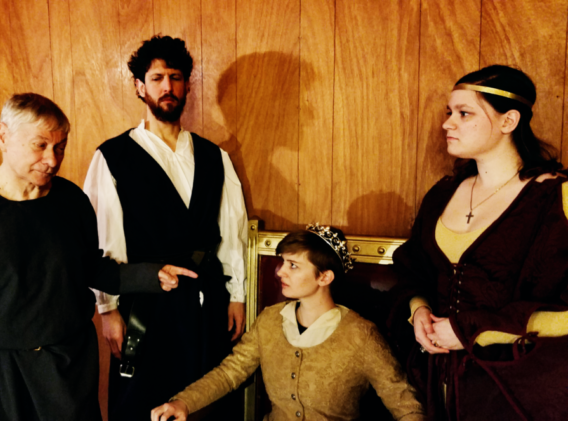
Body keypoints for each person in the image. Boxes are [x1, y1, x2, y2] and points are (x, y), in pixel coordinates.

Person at [0, 93, 195, 421]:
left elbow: (92, 269)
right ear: (3, 136)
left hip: (71, 368)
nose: (52, 160)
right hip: (4, 375)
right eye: (40, 145)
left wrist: (150, 275)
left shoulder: (72, 200)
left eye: (60, 147)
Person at [390, 65, 568, 421]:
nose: (447, 124)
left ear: (509, 121)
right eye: (449, 113)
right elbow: (414, 271)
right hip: (437, 385)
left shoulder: (555, 197)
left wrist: (470, 330)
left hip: (520, 390)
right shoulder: (442, 194)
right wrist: (419, 311)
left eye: (464, 113)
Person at [83, 35, 248, 419]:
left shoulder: (214, 157)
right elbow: (103, 240)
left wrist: (236, 295)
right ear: (140, 87)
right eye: (156, 78)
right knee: (144, 400)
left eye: (175, 77)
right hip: (145, 303)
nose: (167, 87)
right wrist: (107, 310)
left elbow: (232, 231)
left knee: (204, 398)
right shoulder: (113, 156)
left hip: (206, 301)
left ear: (188, 85)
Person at [151, 224, 425, 421]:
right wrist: (184, 403)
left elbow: (405, 405)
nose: (280, 271)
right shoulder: (270, 320)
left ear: (324, 277)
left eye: (293, 265)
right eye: (282, 262)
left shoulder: (361, 335)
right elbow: (229, 373)